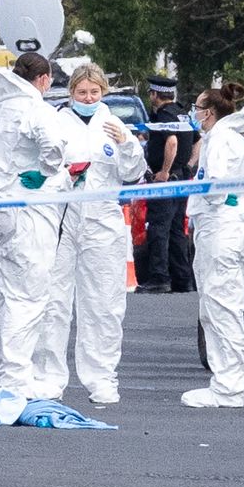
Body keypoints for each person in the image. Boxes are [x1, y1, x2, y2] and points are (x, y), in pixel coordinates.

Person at [32, 63, 146, 404]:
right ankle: (49, 376)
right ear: (71, 94)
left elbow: (133, 173)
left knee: (104, 303)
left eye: (94, 92)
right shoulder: (57, 122)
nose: (88, 97)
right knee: (54, 300)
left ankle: (102, 376)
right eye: (82, 93)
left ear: (103, 93)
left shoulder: (113, 125)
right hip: (62, 218)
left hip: (102, 218)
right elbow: (41, 165)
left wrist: (127, 144)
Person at [0, 52, 66, 398]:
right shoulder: (37, 109)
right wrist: (43, 171)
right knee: (26, 298)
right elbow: (54, 148)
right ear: (43, 79)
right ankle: (15, 382)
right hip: (23, 211)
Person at [180, 84, 244, 407]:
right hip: (219, 229)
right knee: (216, 308)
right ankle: (227, 382)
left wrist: (202, 187)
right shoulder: (221, 138)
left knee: (222, 307)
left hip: (222, 230)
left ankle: (229, 387)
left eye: (197, 108)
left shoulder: (222, 140)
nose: (194, 113)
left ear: (208, 113)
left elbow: (216, 187)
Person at [137, 75, 198, 293]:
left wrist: (164, 171)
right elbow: (198, 140)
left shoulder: (163, 116)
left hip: (167, 180)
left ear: (154, 94)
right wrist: (188, 166)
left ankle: (159, 277)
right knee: (176, 230)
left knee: (158, 228)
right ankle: (183, 280)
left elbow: (171, 141)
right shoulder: (182, 114)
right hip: (181, 178)